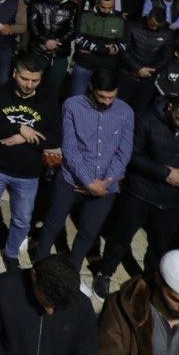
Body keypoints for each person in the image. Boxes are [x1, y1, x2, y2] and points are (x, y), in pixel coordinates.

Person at [91, 94, 179, 299]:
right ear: (171, 107)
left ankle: (150, 281)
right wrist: (165, 173)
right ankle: (105, 272)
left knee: (159, 245)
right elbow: (133, 154)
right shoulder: (146, 120)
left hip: (172, 201)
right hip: (139, 193)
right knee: (120, 238)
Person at [33, 67, 134, 271]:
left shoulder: (125, 112)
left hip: (105, 187)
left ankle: (72, 271)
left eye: (111, 97)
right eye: (102, 96)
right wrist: (89, 182)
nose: (107, 102)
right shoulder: (72, 106)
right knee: (53, 224)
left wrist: (105, 182)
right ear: (91, 88)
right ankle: (38, 265)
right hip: (71, 180)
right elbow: (70, 148)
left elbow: (124, 153)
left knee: (88, 233)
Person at [0, 53, 60, 272]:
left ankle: (11, 254)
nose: (29, 85)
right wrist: (19, 128)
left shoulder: (48, 102)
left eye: (34, 80)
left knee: (21, 220)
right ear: (14, 74)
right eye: (24, 79)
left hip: (27, 174)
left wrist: (24, 137)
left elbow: (56, 137)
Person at [71, 0, 127, 98]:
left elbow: (124, 44)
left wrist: (115, 48)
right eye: (103, 7)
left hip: (106, 68)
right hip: (84, 65)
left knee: (102, 100)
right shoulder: (85, 16)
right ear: (97, 3)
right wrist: (103, 49)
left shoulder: (120, 20)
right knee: (76, 98)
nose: (106, 10)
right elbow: (79, 39)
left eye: (109, 7)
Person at [27, 0, 79, 96]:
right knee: (32, 86)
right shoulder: (37, 3)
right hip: (38, 51)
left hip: (59, 53)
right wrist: (45, 41)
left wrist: (56, 42)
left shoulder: (72, 6)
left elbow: (72, 29)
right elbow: (32, 27)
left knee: (53, 89)